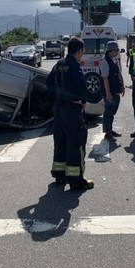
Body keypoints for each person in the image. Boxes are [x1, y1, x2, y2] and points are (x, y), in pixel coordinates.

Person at [46, 37, 94, 190]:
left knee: (60, 141)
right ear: (79, 51)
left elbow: (48, 83)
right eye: (83, 51)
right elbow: (81, 87)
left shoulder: (59, 64)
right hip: (72, 110)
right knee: (76, 143)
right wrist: (83, 101)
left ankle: (59, 175)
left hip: (58, 110)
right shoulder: (74, 66)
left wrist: (54, 100)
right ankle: (75, 179)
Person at [100, 40, 125, 141]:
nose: (117, 52)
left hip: (116, 90)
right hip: (109, 91)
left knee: (112, 111)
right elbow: (105, 78)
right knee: (108, 111)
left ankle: (110, 129)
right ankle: (107, 132)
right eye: (115, 50)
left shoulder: (114, 60)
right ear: (110, 51)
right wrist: (108, 93)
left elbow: (119, 73)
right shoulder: (104, 61)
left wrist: (122, 86)